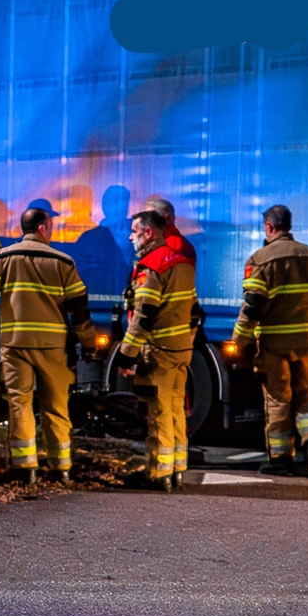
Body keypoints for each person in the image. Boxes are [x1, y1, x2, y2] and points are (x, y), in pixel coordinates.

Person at [0, 205, 96, 483]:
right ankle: (61, 468)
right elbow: (79, 310)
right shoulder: (64, 262)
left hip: (16, 346)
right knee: (56, 407)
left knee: (19, 404)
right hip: (52, 347)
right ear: (43, 229)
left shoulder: (4, 257)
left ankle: (26, 469)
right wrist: (88, 343)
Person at [231, 204, 308, 476]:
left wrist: (239, 342)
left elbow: (253, 306)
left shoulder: (261, 260)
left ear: (269, 226)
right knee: (307, 396)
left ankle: (280, 459)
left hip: (274, 346)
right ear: (289, 226)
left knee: (279, 400)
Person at [115, 208, 196, 490]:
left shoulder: (152, 266)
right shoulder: (182, 262)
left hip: (158, 352)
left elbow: (145, 314)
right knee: (175, 410)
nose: (130, 237)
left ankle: (158, 473)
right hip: (180, 351)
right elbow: (195, 312)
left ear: (148, 233)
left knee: (158, 412)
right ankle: (177, 469)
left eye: (135, 232)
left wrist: (127, 352)